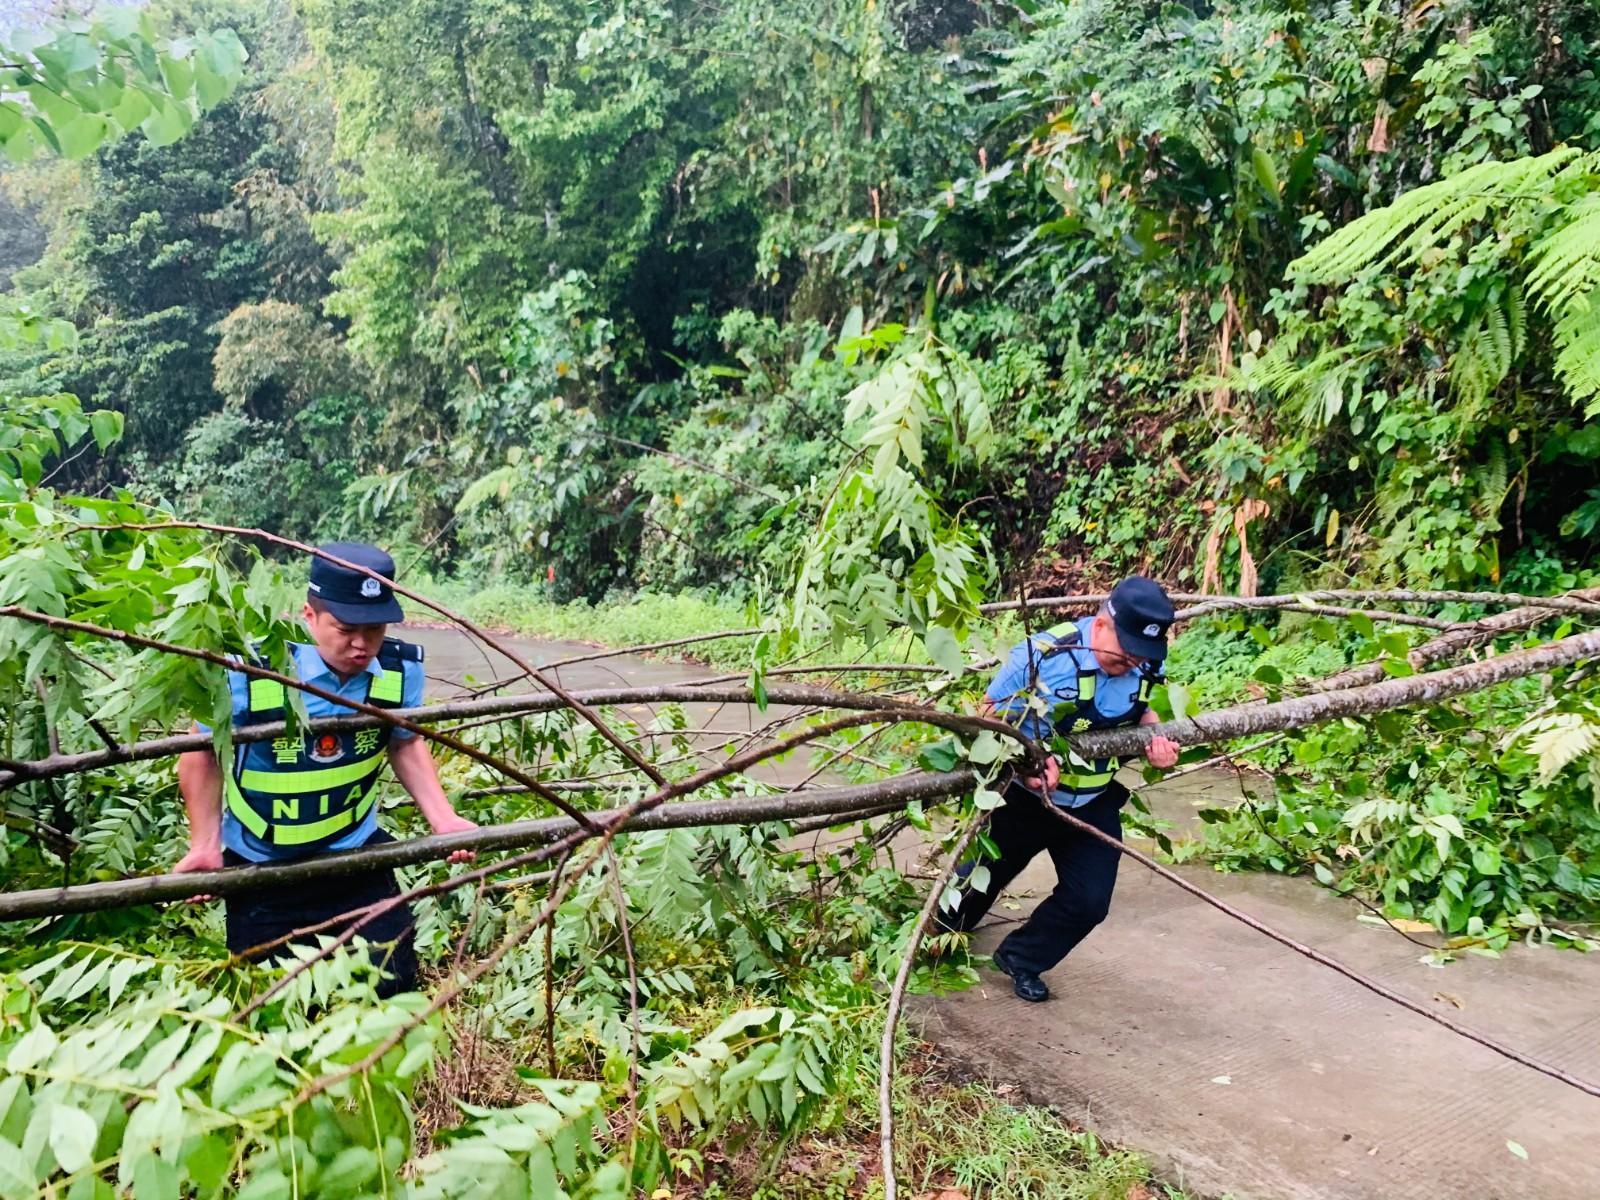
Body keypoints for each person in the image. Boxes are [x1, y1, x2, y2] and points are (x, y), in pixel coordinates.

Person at [174, 542, 477, 996]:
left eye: (375, 630)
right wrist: (205, 844)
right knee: (271, 1006)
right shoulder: (251, 669)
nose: (361, 645)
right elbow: (201, 755)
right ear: (309, 616)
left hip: (355, 855)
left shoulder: (398, 671)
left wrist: (444, 820)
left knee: (394, 987)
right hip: (263, 867)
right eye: (346, 628)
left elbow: (406, 742)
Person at [939, 576, 1181, 1002]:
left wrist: (1155, 740)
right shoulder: (1045, 654)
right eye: (1124, 654)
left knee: (1089, 902)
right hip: (1025, 799)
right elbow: (987, 715)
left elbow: (1143, 712)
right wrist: (1024, 761)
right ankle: (933, 939)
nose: (1132, 664)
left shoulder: (1143, 663)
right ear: (1102, 624)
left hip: (1090, 801)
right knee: (971, 891)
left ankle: (1021, 958)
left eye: (1141, 657)